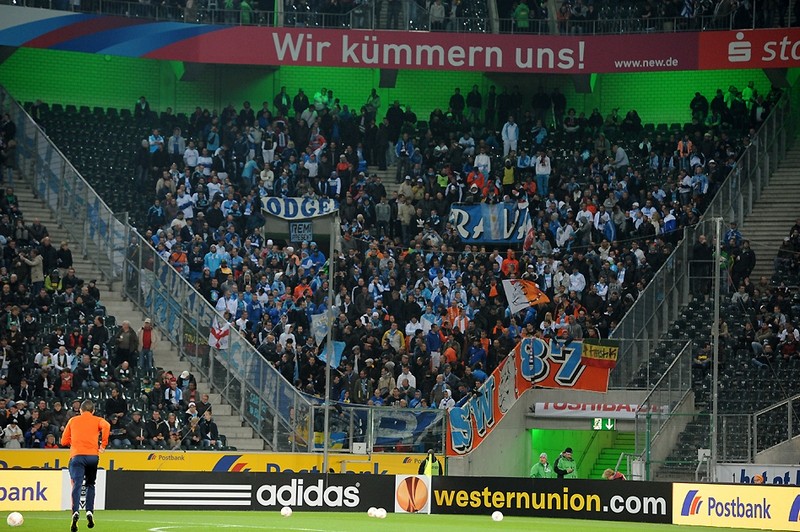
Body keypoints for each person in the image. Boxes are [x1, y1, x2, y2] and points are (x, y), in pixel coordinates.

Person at [60, 399, 110, 532]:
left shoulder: (73, 420)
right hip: (93, 457)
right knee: (90, 484)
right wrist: (103, 445)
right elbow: (107, 426)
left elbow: (63, 441)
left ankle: (75, 511)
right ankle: (89, 511)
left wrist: (74, 441)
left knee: (76, 484)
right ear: (93, 411)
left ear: (80, 410)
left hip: (77, 456)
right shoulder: (98, 420)